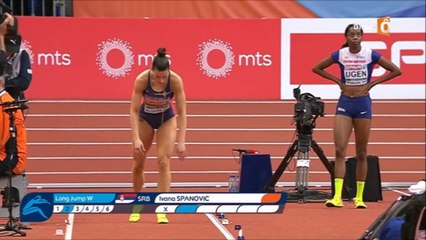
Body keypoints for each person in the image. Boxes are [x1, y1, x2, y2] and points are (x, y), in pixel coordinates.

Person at [312, 23, 401, 208]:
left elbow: (396, 70)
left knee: (361, 152)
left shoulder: (370, 54)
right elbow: (317, 68)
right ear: (346, 37)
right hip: (345, 102)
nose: (354, 37)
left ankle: (359, 198)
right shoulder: (340, 54)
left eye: (358, 34)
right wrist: (338, 81)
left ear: (362, 37)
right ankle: (337, 197)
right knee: (339, 150)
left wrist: (372, 84)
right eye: (351, 34)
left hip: (363, 104)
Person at [129, 48, 186, 224]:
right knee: (139, 163)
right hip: (145, 119)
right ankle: (137, 203)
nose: (160, 80)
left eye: (163, 77)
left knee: (163, 161)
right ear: (152, 71)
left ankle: (161, 207)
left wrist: (181, 141)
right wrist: (136, 138)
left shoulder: (175, 80)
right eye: (157, 76)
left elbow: (183, 112)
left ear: (167, 72)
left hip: (166, 120)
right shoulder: (142, 80)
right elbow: (133, 110)